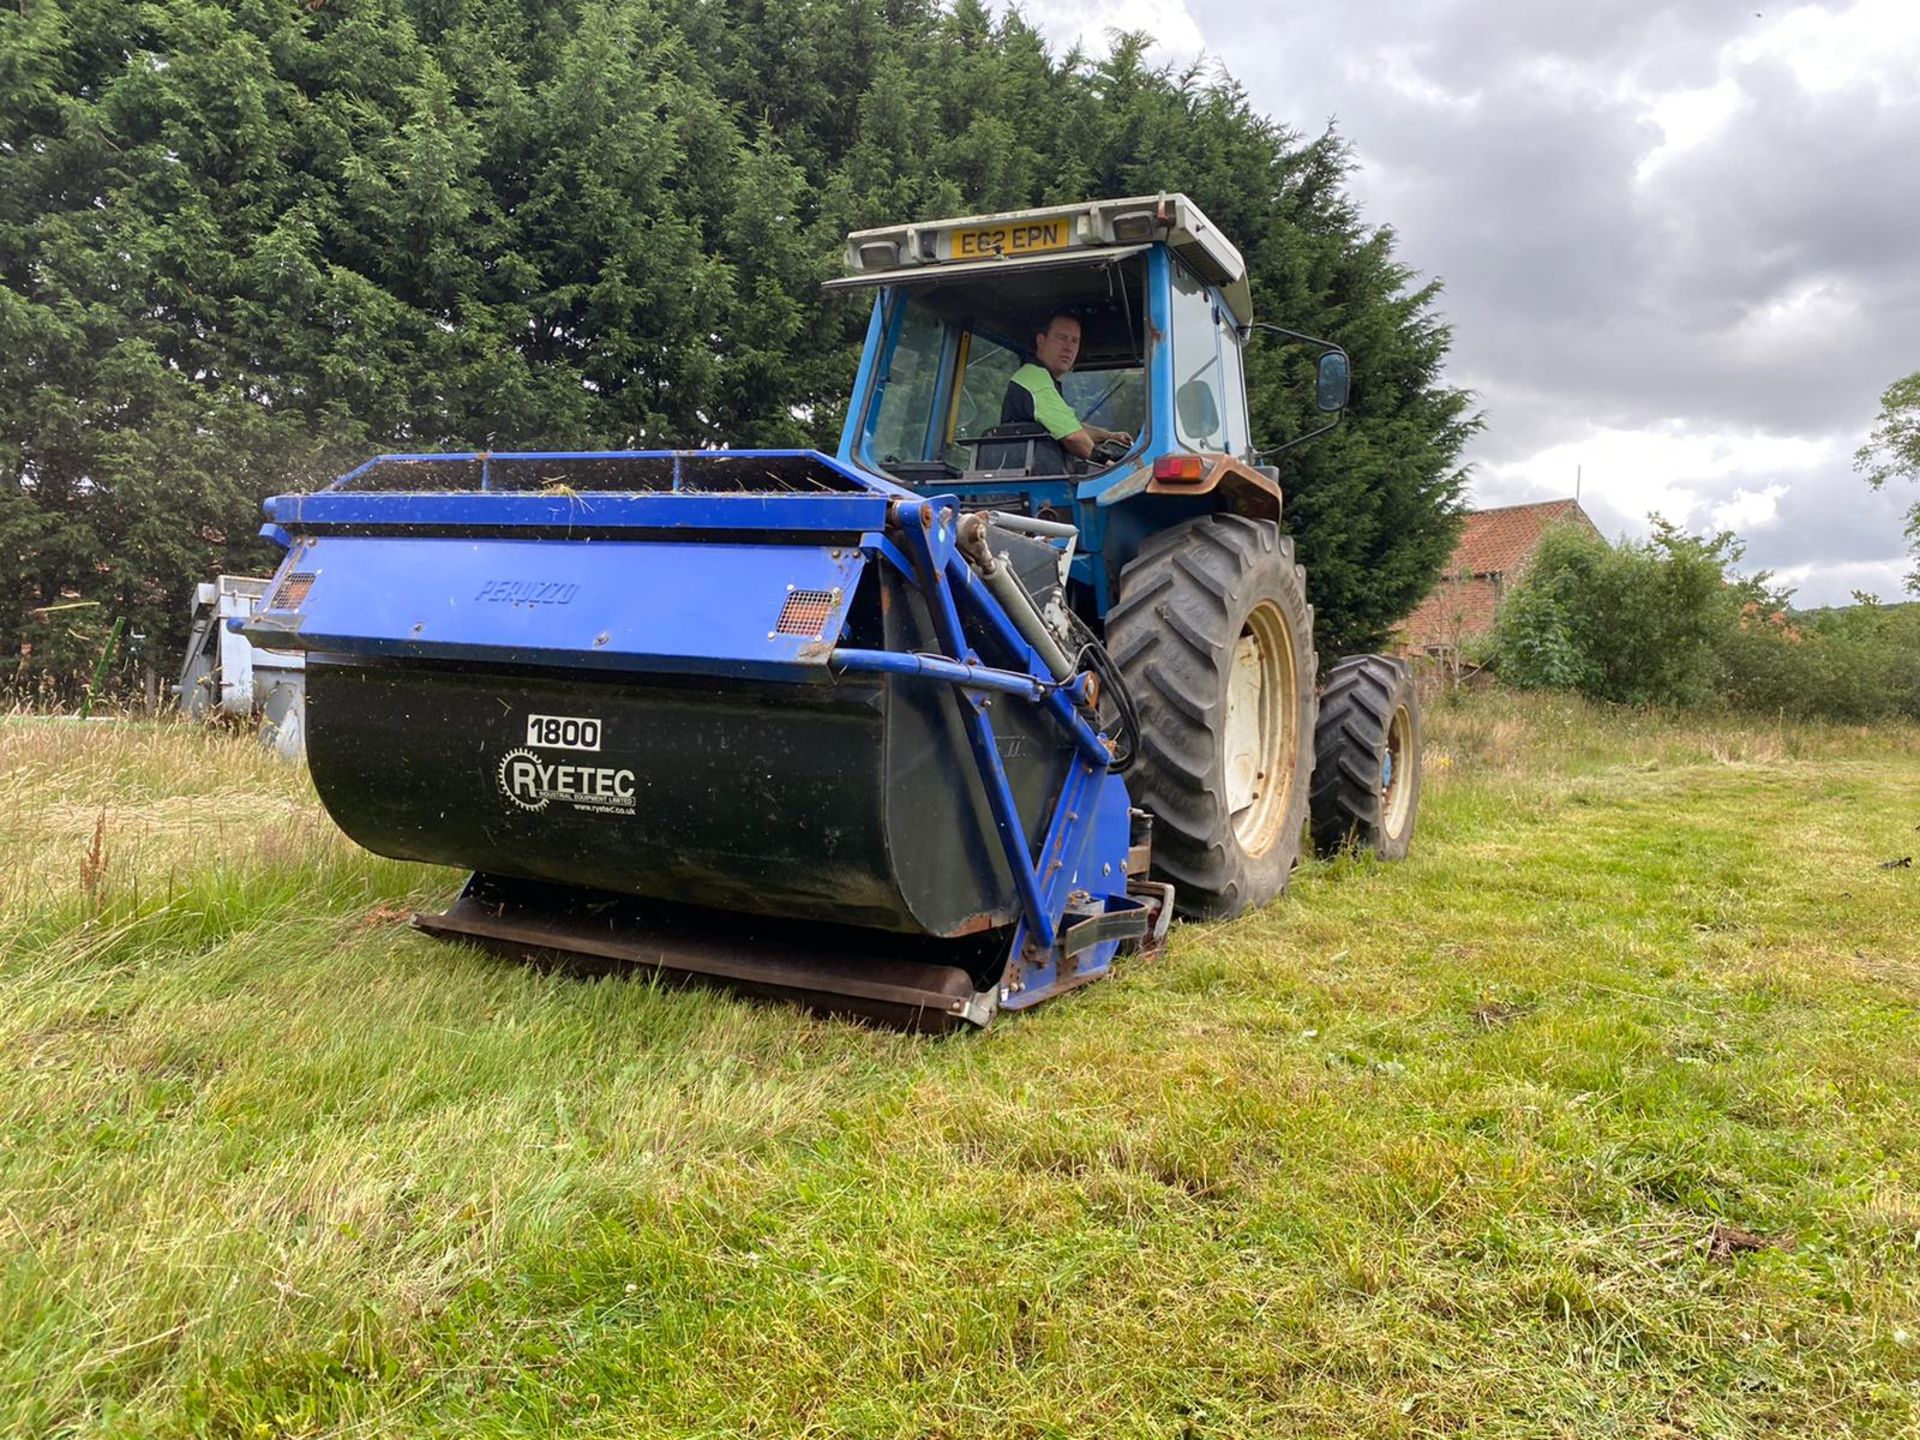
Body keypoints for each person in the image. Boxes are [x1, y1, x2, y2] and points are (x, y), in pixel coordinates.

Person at [1000, 312, 1134, 460]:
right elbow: (1073, 437)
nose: (1069, 348)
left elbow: (1072, 427)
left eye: (1074, 341)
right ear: (1041, 341)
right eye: (1061, 338)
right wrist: (1108, 466)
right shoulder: (1034, 378)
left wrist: (1110, 436)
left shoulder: (1041, 379)